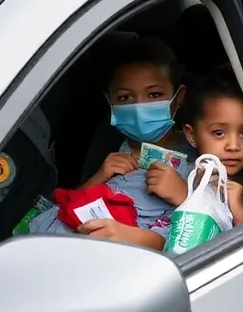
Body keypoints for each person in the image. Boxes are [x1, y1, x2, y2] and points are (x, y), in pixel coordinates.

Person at [30, 37, 190, 249]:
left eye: (154, 94)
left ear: (178, 97)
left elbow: (203, 229)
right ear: (110, 103)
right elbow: (66, 205)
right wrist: (98, 178)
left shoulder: (199, 156)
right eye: (125, 98)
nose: (140, 107)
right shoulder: (110, 144)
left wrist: (185, 197)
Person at [173, 67, 243, 226]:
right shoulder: (178, 173)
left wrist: (239, 211)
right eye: (218, 133)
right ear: (191, 135)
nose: (233, 146)